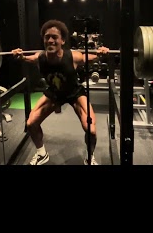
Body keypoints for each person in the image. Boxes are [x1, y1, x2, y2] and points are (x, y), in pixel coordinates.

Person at [11, 19, 110, 165]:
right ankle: (41, 154)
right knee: (31, 123)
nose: (50, 40)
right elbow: (28, 58)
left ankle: (90, 157)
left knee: (91, 130)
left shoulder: (73, 56)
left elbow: (87, 57)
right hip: (54, 94)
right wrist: (21, 56)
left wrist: (101, 53)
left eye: (54, 37)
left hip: (74, 93)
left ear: (62, 40)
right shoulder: (40, 57)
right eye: (47, 37)